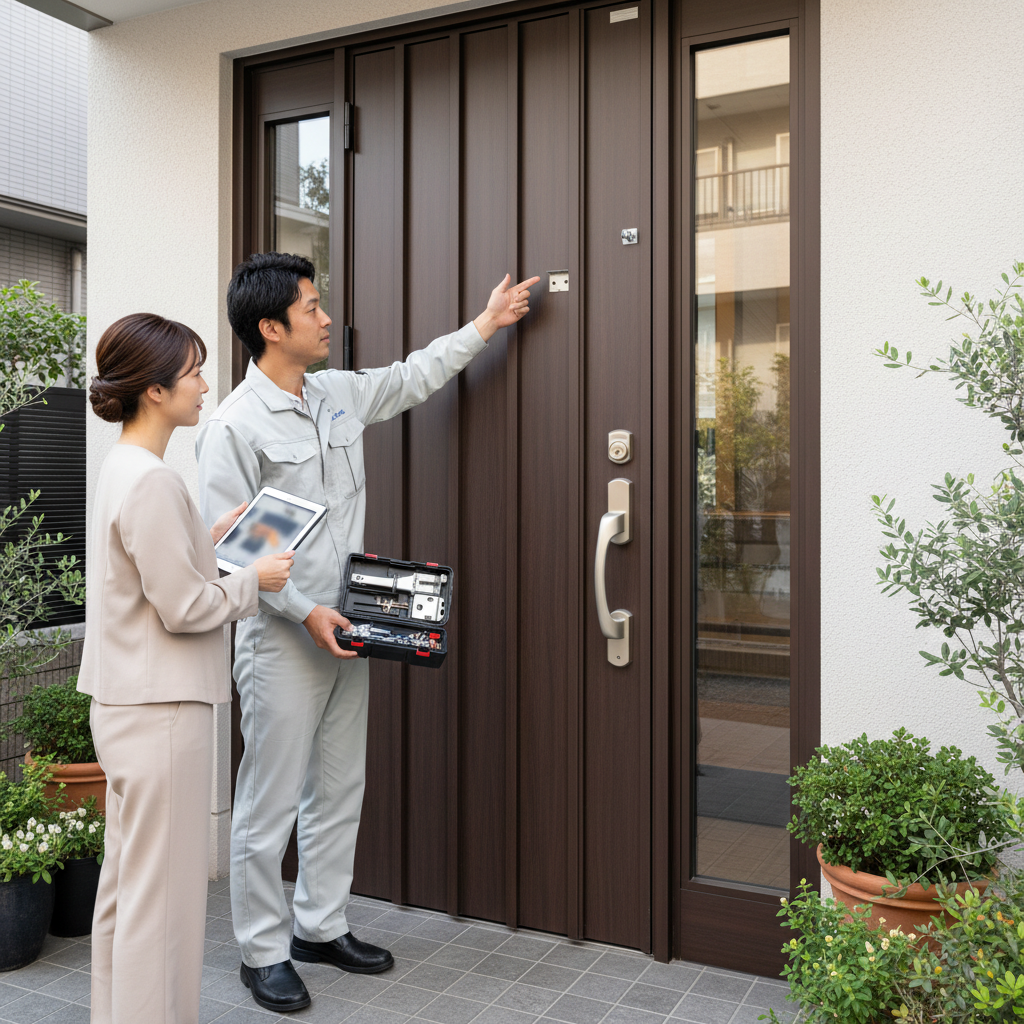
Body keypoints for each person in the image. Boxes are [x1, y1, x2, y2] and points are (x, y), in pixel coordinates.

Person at [197, 252, 538, 1013]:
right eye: (312, 307)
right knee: (269, 800)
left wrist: (486, 323)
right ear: (270, 327)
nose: (325, 318)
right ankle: (261, 949)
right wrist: (305, 611)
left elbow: (413, 375)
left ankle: (320, 925)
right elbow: (232, 548)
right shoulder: (231, 427)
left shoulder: (337, 396)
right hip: (283, 639)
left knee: (339, 785)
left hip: (353, 628)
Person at [79, 313, 295, 1024]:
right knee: (162, 907)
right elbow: (182, 607)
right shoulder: (156, 483)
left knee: (128, 892)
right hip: (162, 713)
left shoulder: (124, 468)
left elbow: (147, 574)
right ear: (153, 389)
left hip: (127, 707)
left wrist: (205, 538)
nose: (205, 386)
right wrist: (252, 579)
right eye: (195, 372)